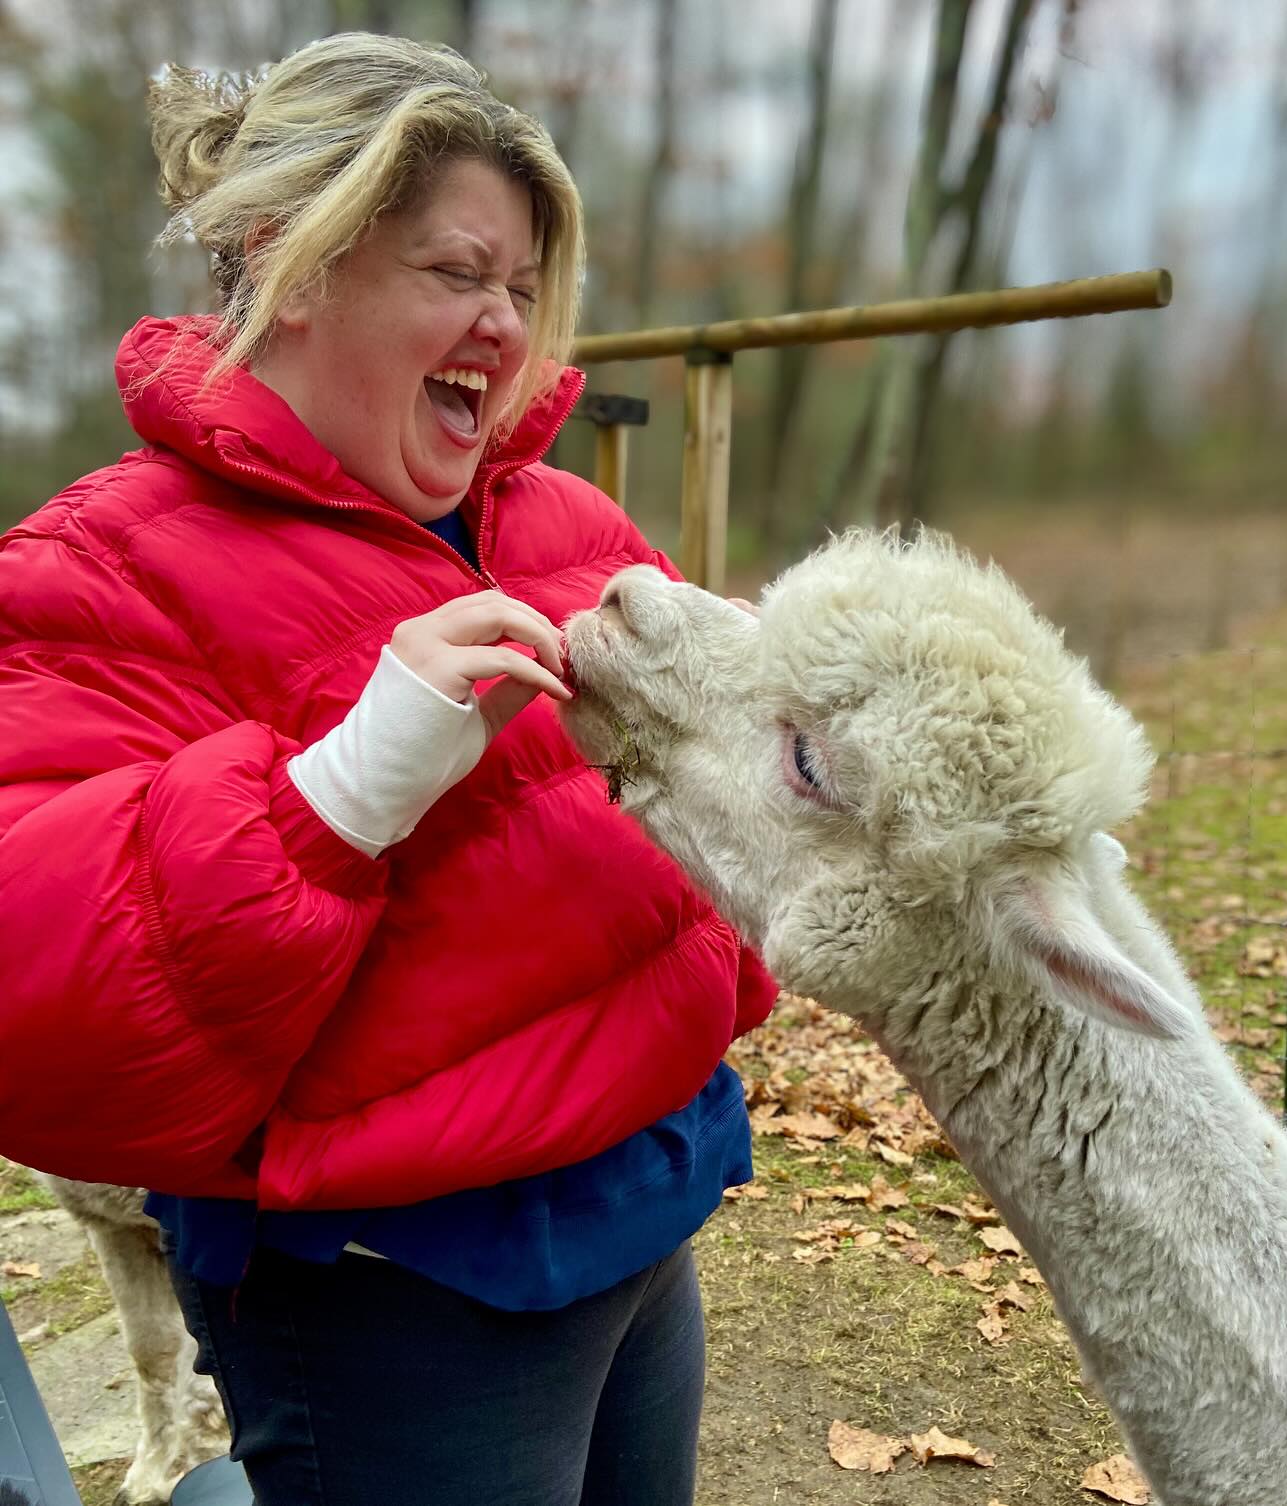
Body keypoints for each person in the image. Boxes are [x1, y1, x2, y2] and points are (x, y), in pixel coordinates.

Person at [0, 32, 775, 1506]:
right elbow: (29, 992)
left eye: (524, 289)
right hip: (396, 1298)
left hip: (648, 1210)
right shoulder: (99, 564)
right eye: (456, 271)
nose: (505, 325)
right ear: (289, 264)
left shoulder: (559, 519)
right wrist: (335, 795)